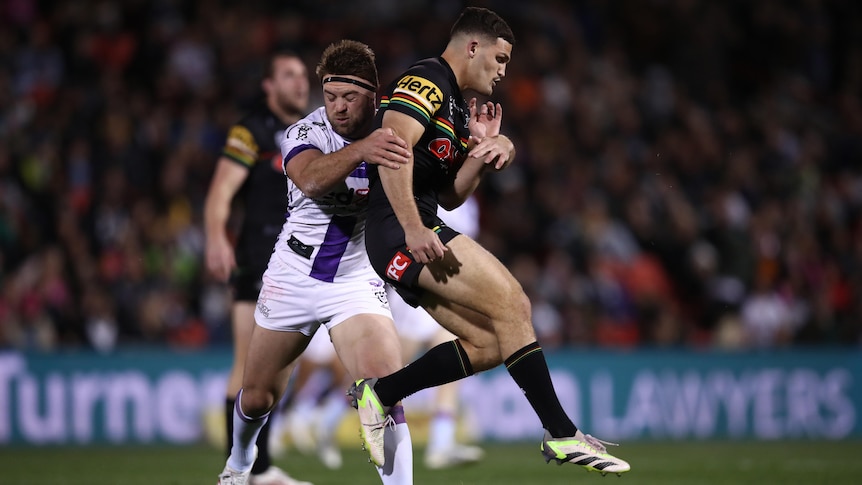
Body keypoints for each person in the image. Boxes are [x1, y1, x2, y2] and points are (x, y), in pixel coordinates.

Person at [350, 6, 631, 476]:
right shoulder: (428, 78)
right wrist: (414, 228)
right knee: (514, 304)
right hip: (399, 227)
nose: (503, 72)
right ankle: (561, 433)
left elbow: (451, 196)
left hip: (404, 231)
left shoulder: (459, 107)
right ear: (473, 46)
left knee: (488, 342)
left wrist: (482, 151)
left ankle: (379, 394)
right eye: (500, 59)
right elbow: (391, 148)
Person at [216, 39, 415, 485]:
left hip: (356, 282)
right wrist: (363, 150)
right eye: (330, 97)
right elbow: (308, 179)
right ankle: (240, 464)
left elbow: (448, 191)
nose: (338, 108)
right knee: (257, 398)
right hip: (293, 276)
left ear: (374, 96)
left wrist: (479, 156)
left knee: (386, 390)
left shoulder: (398, 132)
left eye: (349, 97)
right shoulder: (304, 133)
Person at [204, 50, 313, 485]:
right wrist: (215, 236)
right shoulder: (251, 131)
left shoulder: (313, 130)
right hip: (257, 261)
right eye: (289, 75)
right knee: (248, 367)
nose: (299, 83)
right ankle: (251, 470)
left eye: (303, 75)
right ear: (269, 85)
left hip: (300, 264)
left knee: (280, 371)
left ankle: (257, 469)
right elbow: (221, 191)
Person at [387, 195, 484, 469]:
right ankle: (326, 417)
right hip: (415, 287)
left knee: (454, 354)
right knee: (388, 369)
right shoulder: (419, 189)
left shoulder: (468, 202)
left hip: (448, 288)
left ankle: (441, 443)